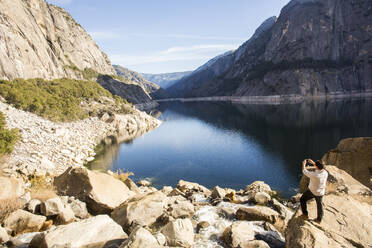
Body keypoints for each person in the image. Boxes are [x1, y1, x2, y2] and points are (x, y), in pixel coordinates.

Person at [300, 159, 328, 223]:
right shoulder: (325, 173)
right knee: (319, 205)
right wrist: (313, 163)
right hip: (321, 192)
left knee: (302, 199)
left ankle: (305, 215)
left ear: (317, 167)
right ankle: (319, 219)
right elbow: (321, 167)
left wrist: (303, 164)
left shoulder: (314, 175)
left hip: (312, 191)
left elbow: (304, 171)